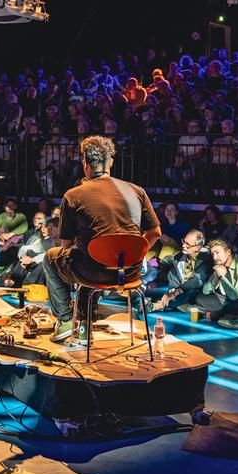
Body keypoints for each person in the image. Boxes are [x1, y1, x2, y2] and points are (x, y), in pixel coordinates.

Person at [44, 136, 162, 342]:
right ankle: (83, 324)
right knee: (88, 257)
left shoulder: (74, 195)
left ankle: (64, 321)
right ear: (111, 162)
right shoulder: (137, 191)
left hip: (93, 271)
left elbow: (65, 245)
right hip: (129, 272)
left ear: (85, 165)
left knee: (52, 258)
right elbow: (155, 233)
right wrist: (135, 255)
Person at [149, 230, 213, 311]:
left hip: (197, 293)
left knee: (192, 293)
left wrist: (174, 293)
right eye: (184, 241)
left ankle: (159, 305)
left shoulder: (206, 260)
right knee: (153, 291)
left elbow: (197, 281)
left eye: (188, 244)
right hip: (178, 292)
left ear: (197, 248)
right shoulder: (179, 258)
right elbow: (173, 280)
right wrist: (172, 292)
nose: (183, 245)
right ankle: (165, 303)